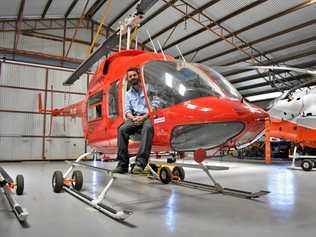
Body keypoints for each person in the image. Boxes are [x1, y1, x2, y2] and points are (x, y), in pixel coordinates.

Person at [113, 68, 154, 174]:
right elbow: (127, 110)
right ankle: (122, 165)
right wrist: (132, 118)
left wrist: (144, 117)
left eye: (134, 75)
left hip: (148, 117)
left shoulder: (148, 88)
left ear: (139, 75)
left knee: (148, 127)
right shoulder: (128, 94)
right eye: (130, 76)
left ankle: (140, 163)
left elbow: (155, 105)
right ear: (128, 78)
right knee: (122, 129)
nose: (132, 78)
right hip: (134, 118)